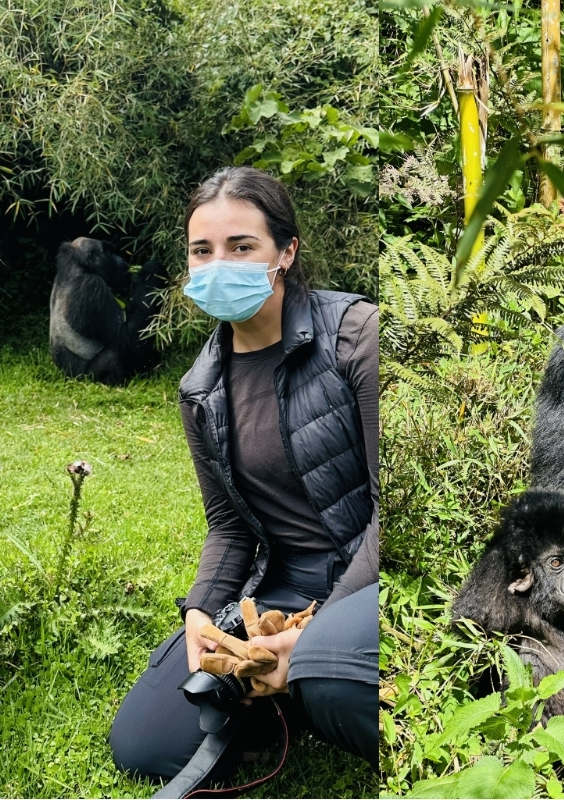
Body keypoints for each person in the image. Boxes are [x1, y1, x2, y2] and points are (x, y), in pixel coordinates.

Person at [109, 166, 379, 786]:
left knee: (328, 672)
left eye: (241, 246)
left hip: (369, 569)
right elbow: (229, 526)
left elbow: (395, 507)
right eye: (201, 251)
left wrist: (315, 631)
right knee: (144, 744)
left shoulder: (357, 338)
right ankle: (289, 688)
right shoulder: (199, 389)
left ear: (286, 252)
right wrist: (202, 613)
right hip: (277, 591)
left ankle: (318, 676)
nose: (217, 263)